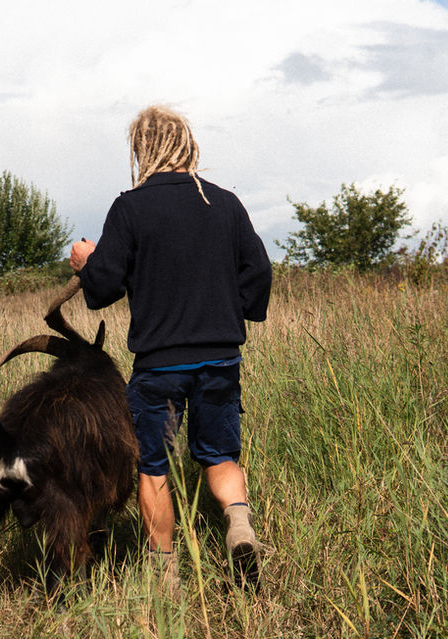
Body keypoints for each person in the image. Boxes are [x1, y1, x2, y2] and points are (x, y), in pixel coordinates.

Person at [69, 105, 272, 588]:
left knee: (154, 466)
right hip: (222, 357)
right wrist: (231, 310)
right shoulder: (224, 204)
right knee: (221, 457)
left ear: (143, 148)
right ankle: (239, 525)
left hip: (158, 364)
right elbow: (259, 272)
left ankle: (165, 573)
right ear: (186, 144)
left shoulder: (131, 208)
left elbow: (102, 290)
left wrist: (86, 261)